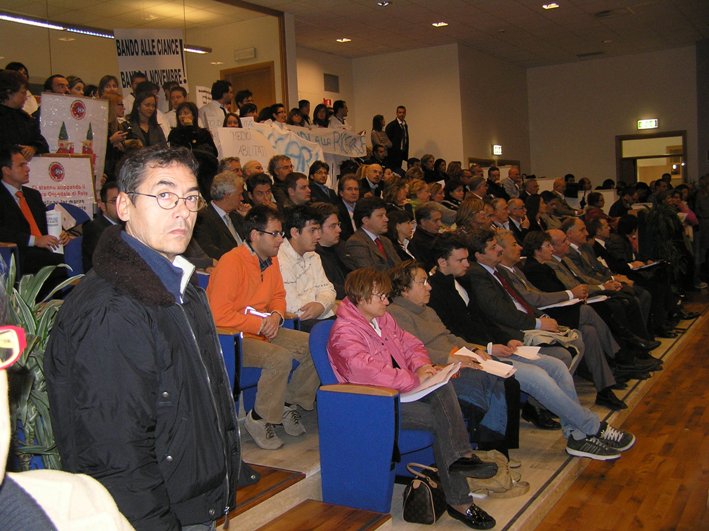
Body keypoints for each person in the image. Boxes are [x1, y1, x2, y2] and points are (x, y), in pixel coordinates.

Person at [44, 146, 241, 529]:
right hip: (158, 512)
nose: (182, 210)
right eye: (164, 195)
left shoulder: (181, 284)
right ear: (124, 206)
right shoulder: (112, 309)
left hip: (193, 496)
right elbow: (113, 453)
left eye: (190, 198)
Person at [427, 233, 637, 459]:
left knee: (556, 366)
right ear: (442, 262)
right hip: (476, 355)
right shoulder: (435, 294)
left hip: (492, 347)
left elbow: (483, 320)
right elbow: (453, 335)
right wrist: (488, 347)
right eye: (461, 260)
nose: (467, 264)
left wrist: (504, 340)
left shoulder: (461, 281)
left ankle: (576, 435)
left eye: (467, 259)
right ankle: (594, 427)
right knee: (538, 376)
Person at [328, 268, 497, 529]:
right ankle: (461, 498)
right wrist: (415, 379)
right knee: (442, 420)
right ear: (361, 298)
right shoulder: (344, 333)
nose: (387, 301)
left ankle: (462, 461)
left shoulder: (382, 319)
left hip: (400, 393)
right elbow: (369, 373)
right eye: (381, 297)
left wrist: (421, 367)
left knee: (442, 385)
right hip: (373, 405)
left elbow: (413, 345)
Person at [207, 206, 319, 450]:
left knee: (314, 346)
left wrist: (277, 315)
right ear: (255, 235)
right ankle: (260, 419)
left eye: (281, 234)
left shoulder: (272, 260)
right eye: (275, 234)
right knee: (279, 358)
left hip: (265, 330)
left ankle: (289, 403)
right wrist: (260, 324)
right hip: (233, 338)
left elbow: (279, 295)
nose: (281, 240)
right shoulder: (231, 262)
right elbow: (218, 314)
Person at [387, 261, 514, 451]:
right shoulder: (396, 314)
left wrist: (474, 350)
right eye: (422, 282)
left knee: (503, 374)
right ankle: (489, 446)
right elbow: (412, 352)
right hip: (438, 367)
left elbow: (449, 337)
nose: (429, 287)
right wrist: (453, 359)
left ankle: (494, 447)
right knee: (484, 379)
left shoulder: (427, 310)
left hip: (456, 358)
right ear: (405, 290)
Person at [0, 145, 66, 277]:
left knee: (63, 257)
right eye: (21, 165)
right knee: (53, 262)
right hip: (17, 253)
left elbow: (45, 224)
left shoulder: (33, 195)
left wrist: (61, 233)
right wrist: (34, 240)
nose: (27, 169)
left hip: (43, 251)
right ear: (6, 170)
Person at [277, 205, 336, 332]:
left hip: (320, 316)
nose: (318, 236)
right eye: (312, 230)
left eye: (319, 230)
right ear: (295, 232)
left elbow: (329, 289)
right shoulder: (280, 258)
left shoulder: (314, 256)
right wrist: (320, 305)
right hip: (297, 322)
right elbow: (292, 307)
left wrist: (320, 305)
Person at [192, 171, 246, 260]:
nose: (242, 198)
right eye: (239, 194)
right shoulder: (203, 219)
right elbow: (210, 251)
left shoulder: (237, 216)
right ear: (228, 195)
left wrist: (248, 218)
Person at [342, 197, 402, 271]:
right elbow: (370, 275)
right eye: (380, 216)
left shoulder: (386, 241)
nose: (386, 219)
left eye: (385, 215)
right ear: (365, 220)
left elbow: (400, 267)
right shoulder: (356, 242)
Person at [0, 70, 48, 157]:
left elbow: (43, 144)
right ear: (9, 92)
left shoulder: (26, 119)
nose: (26, 97)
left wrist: (33, 148)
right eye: (23, 92)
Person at [82, 181, 120, 271]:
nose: (120, 204)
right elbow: (107, 264)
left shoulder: (127, 225)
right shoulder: (94, 229)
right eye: (114, 201)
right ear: (103, 206)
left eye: (121, 200)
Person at [408, 202, 443, 270]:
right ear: (423, 222)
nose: (440, 224)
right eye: (435, 221)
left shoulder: (436, 236)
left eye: (440, 219)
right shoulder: (419, 244)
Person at [384, 105, 408, 170]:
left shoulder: (405, 125)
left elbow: (405, 138)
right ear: (396, 113)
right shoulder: (391, 125)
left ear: (405, 113)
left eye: (403, 112)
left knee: (398, 169)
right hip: (392, 154)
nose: (402, 114)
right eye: (400, 112)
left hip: (401, 153)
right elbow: (387, 140)